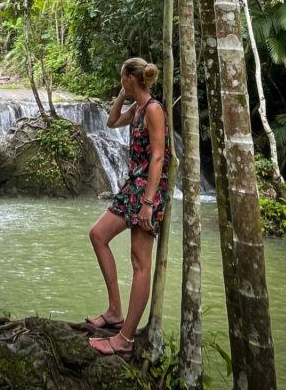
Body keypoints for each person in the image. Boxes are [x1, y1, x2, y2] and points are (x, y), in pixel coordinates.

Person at [86, 56, 171, 357]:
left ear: (130, 78)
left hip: (147, 191)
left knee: (140, 263)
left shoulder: (154, 110)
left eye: (122, 79)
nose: (120, 84)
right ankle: (114, 311)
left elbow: (159, 157)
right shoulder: (136, 109)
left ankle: (125, 338)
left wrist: (148, 203)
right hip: (132, 187)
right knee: (98, 235)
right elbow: (111, 121)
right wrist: (123, 96)